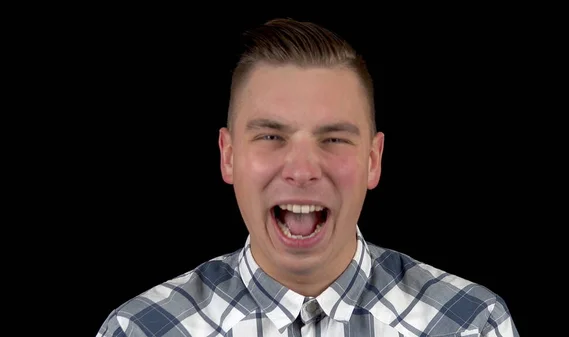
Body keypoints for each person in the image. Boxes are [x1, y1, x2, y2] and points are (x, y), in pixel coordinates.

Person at [97, 18, 519, 337]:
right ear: (229, 157)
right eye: (270, 136)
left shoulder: (472, 324)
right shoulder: (139, 330)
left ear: (374, 160)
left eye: (334, 138)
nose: (302, 171)